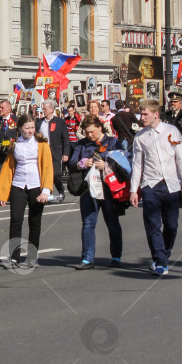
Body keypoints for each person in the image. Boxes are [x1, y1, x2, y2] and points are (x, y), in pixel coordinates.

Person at [130, 99, 182, 276]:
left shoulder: (171, 131)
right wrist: (134, 189)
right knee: (153, 225)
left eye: (145, 114)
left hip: (171, 184)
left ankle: (164, 255)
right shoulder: (140, 137)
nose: (142, 117)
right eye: (141, 114)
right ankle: (159, 261)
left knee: (171, 225)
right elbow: (137, 165)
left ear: (156, 114)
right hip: (150, 185)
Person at [0, 114, 54, 267]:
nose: (30, 130)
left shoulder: (41, 144)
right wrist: (3, 194)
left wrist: (46, 191)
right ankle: (14, 256)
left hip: (36, 186)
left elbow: (48, 168)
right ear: (20, 128)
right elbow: (8, 169)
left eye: (32, 127)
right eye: (27, 128)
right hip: (18, 185)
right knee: (16, 220)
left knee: (34, 221)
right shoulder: (15, 144)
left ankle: (32, 257)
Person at [69, 115, 125, 270]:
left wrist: (106, 164)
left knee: (112, 223)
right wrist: (84, 163)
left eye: (92, 132)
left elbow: (124, 161)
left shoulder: (113, 142)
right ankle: (87, 258)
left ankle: (116, 256)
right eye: (86, 133)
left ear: (100, 128)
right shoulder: (81, 144)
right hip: (89, 189)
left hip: (109, 189)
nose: (89, 135)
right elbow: (72, 162)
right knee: (88, 223)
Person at [35, 100, 69, 201]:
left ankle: (60, 189)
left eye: (45, 109)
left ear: (51, 110)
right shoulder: (39, 122)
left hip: (55, 151)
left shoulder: (59, 122)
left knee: (56, 173)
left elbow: (65, 138)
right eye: (43, 108)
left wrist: (66, 153)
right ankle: (46, 194)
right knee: (44, 174)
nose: (43, 111)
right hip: (42, 152)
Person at [0, 100, 18, 186]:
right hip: (0, 155)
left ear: (9, 109)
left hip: (13, 154)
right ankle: (0, 197)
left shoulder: (17, 121)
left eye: (2, 108)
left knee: (13, 176)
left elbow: (21, 136)